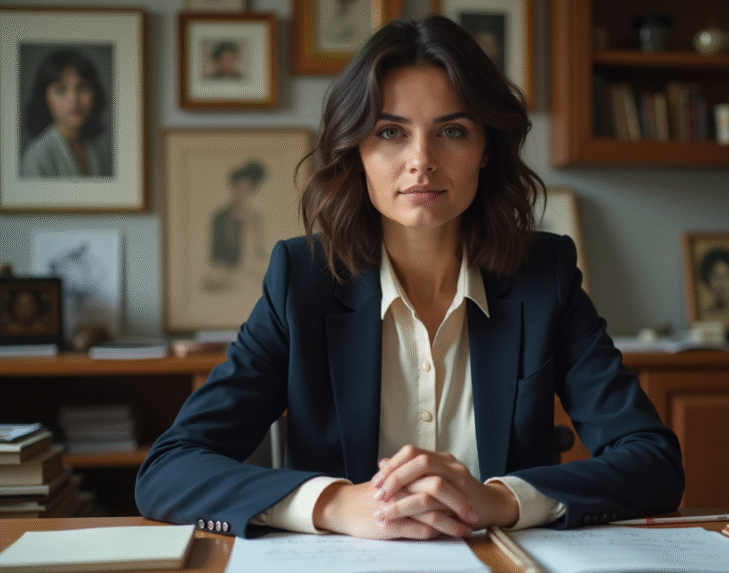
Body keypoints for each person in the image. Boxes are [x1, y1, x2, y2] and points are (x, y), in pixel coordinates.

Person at [136, 15, 684, 540]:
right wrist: (336, 505)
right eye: (391, 132)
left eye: (451, 130)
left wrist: (500, 499)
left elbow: (653, 463)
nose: (421, 161)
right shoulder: (300, 281)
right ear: (357, 152)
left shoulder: (546, 277)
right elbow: (169, 469)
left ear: (486, 148)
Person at [21, 49, 110, 178]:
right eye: (61, 89)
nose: (74, 99)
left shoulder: (93, 150)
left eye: (82, 87)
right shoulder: (36, 157)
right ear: (44, 97)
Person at [199, 160, 268, 293]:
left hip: (251, 273)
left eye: (246, 190)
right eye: (238, 189)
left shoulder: (256, 218)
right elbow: (215, 254)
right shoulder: (220, 217)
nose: (241, 194)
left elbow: (260, 252)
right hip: (226, 272)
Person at [699, 248, 729, 318]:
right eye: (716, 277)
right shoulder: (706, 315)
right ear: (708, 281)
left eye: (728, 276)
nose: (722, 284)